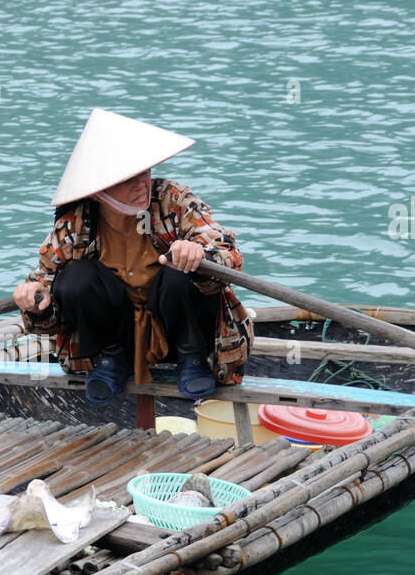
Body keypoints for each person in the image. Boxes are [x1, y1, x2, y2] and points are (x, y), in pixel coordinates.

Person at [13, 109, 252, 403]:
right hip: (118, 333)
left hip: (178, 328)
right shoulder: (73, 225)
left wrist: (198, 251)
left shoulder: (172, 199)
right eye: (128, 179)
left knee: (180, 269)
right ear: (99, 189)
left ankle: (191, 356)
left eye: (144, 173)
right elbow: (43, 296)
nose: (141, 185)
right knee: (74, 279)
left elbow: (226, 248)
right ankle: (111, 357)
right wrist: (34, 302)